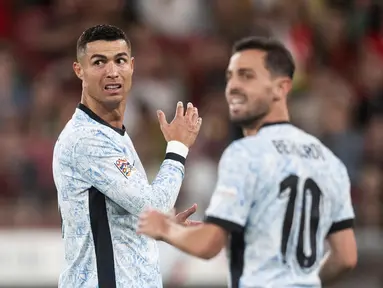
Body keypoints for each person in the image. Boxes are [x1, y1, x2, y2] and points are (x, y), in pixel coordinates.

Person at [137, 36, 358, 288]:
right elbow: (346, 257)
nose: (233, 86)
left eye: (247, 76)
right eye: (230, 77)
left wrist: (164, 228)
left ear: (282, 87)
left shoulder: (245, 153)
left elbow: (209, 245)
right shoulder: (328, 160)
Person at [52, 24, 202, 288]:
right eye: (99, 62)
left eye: (119, 61)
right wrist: (178, 147)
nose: (112, 72)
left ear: (131, 66)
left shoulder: (113, 133)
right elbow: (154, 204)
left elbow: (119, 216)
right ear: (79, 70)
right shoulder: (87, 139)